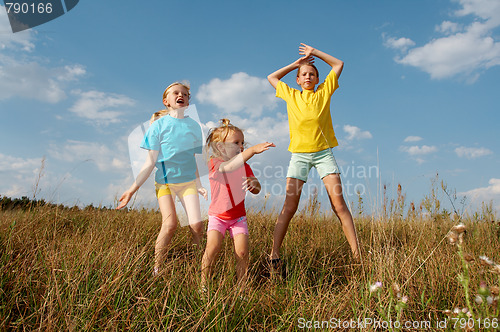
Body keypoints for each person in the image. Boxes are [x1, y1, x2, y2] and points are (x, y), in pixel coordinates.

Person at [267, 43, 360, 268]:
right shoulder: (291, 95)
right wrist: (296, 64)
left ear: (318, 79)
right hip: (299, 155)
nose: (308, 77)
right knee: (289, 207)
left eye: (312, 74)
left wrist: (315, 53)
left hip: (323, 154)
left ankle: (359, 258)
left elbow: (338, 64)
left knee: (339, 205)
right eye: (303, 75)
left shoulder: (324, 92)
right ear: (297, 80)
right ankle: (273, 255)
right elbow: (272, 77)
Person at [117, 82, 207, 275]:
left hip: (188, 183)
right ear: (166, 101)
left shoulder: (193, 126)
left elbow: (193, 159)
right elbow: (149, 163)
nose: (180, 95)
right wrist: (132, 190)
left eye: (185, 94)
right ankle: (157, 267)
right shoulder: (158, 126)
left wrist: (199, 185)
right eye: (175, 93)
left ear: (188, 101)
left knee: (197, 225)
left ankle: (197, 264)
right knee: (170, 224)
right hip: (165, 183)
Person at [200, 119, 274, 292]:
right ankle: (204, 285)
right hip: (218, 217)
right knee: (212, 249)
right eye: (236, 143)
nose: (241, 146)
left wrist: (253, 184)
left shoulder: (245, 166)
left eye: (243, 143)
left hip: (238, 217)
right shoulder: (214, 163)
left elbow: (257, 188)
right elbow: (228, 167)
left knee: (242, 253)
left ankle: (242, 289)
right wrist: (252, 150)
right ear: (220, 147)